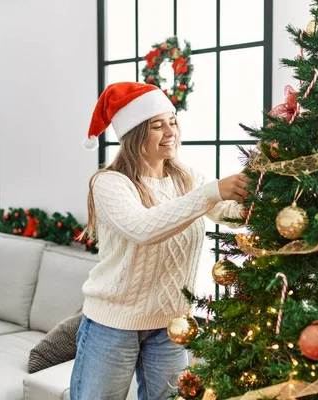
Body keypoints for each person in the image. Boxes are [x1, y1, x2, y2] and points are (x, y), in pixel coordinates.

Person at [71, 82, 250, 400]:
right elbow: (143, 229)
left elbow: (229, 213)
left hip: (172, 324)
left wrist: (262, 197)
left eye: (173, 121)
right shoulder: (110, 183)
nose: (171, 131)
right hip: (113, 325)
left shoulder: (187, 178)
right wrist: (212, 191)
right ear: (135, 133)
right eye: (158, 125)